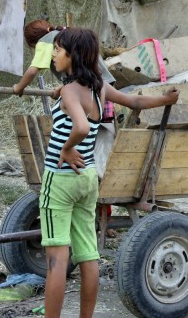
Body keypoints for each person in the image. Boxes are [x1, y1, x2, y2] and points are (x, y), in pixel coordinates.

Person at [40, 28, 179, 318]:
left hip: (61, 177)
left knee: (56, 259)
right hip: (88, 178)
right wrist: (165, 100)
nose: (53, 54)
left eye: (57, 50)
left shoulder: (70, 91)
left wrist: (66, 149)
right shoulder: (98, 87)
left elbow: (79, 127)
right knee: (88, 255)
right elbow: (136, 102)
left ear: (73, 55)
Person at [13, 19, 116, 96]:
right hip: (104, 84)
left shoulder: (45, 41)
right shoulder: (64, 36)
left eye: (57, 50)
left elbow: (32, 71)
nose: (54, 54)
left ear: (32, 43)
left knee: (87, 121)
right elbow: (80, 71)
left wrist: (19, 87)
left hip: (89, 90)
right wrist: (64, 87)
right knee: (104, 122)